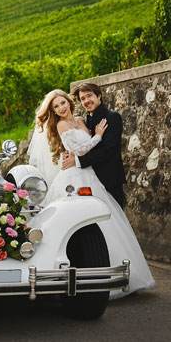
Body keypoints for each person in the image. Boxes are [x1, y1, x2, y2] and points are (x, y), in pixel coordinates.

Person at [28, 89, 155, 298]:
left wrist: (94, 136)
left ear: (69, 102)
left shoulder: (81, 120)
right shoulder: (61, 125)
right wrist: (98, 135)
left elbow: (91, 151)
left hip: (91, 176)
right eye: (56, 106)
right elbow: (80, 150)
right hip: (74, 177)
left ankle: (123, 273)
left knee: (109, 221)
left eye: (63, 103)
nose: (61, 108)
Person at [62, 82, 126, 208]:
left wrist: (77, 161)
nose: (86, 101)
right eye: (83, 99)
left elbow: (108, 150)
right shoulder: (85, 121)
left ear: (99, 96)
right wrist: (70, 153)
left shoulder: (112, 117)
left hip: (110, 180)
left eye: (89, 96)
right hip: (90, 180)